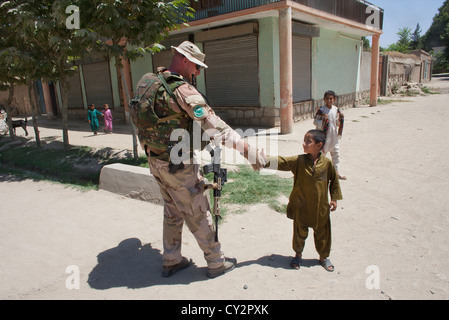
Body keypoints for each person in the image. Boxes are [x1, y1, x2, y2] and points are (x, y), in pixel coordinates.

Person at [131, 41, 266, 278]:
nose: (198, 72)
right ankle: (215, 262)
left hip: (155, 160)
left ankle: (172, 259)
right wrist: (247, 150)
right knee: (197, 210)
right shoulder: (182, 89)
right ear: (184, 60)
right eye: (196, 66)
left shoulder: (148, 82)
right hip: (177, 165)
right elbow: (216, 128)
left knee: (172, 210)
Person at [263, 129, 342, 272]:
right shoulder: (299, 161)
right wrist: (262, 158)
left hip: (320, 208)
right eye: (304, 140)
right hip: (301, 206)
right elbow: (283, 161)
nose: (304, 144)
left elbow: (334, 181)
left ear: (319, 145)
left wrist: (334, 198)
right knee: (299, 232)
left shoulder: (327, 164)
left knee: (323, 234)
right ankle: (298, 255)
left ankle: (323, 257)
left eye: (308, 141)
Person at [313, 90, 346, 180]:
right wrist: (323, 120)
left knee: (336, 154)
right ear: (324, 99)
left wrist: (341, 119)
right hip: (324, 136)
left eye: (331, 98)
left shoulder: (336, 110)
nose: (329, 100)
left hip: (333, 136)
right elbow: (315, 122)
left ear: (334, 99)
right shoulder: (321, 110)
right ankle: (317, 172)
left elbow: (336, 123)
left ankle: (336, 173)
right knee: (321, 155)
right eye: (327, 98)